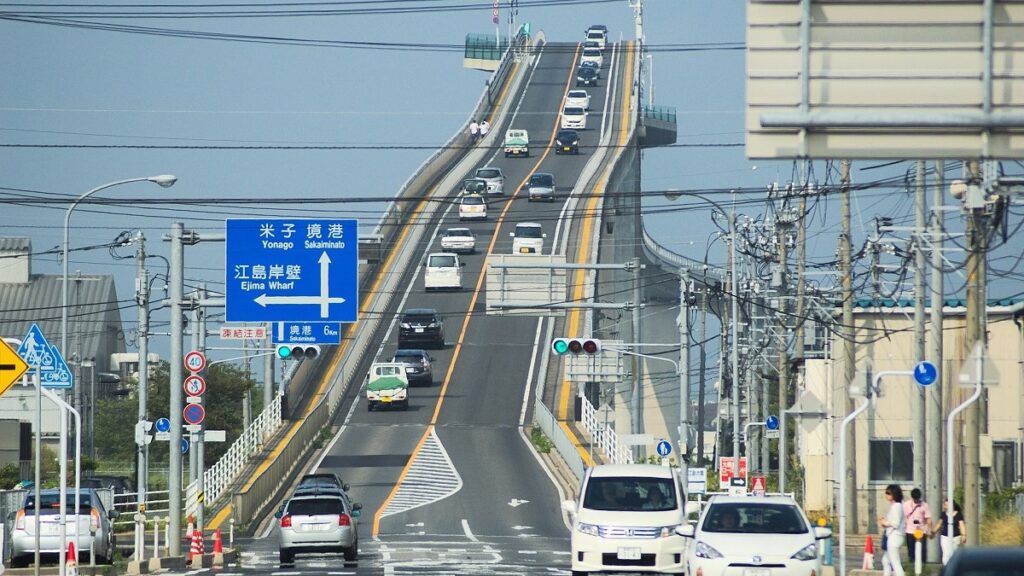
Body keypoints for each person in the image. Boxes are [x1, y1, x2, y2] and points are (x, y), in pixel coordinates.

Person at [879, 484, 906, 576]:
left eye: (889, 493)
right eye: (886, 493)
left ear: (894, 494)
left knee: (895, 563)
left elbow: (895, 523)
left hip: (895, 536)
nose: (886, 495)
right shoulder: (896, 505)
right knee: (885, 561)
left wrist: (885, 522)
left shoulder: (897, 506)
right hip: (893, 535)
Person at [902, 488, 932, 564]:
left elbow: (928, 518)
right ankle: (911, 565)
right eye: (915, 499)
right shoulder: (906, 505)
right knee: (911, 551)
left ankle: (923, 566)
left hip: (921, 531)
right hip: (910, 530)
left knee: (922, 551)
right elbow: (903, 516)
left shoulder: (924, 505)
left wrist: (929, 529)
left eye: (917, 498)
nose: (916, 500)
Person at [932, 500, 966, 565]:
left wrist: (963, 535)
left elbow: (961, 525)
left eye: (947, 505)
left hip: (956, 537)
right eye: (945, 505)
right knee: (946, 553)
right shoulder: (943, 514)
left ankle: (954, 567)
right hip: (945, 536)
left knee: (954, 553)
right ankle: (946, 568)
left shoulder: (958, 514)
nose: (945, 506)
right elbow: (939, 524)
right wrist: (934, 531)